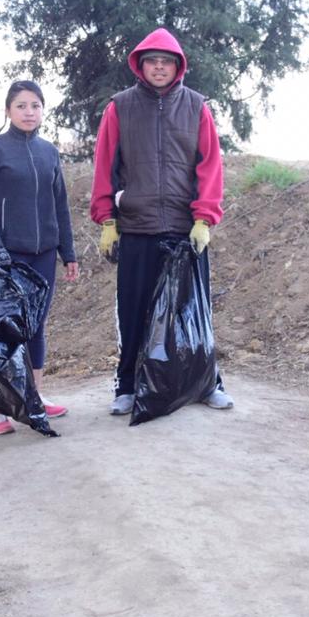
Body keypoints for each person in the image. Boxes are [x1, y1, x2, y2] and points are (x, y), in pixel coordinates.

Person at [90, 27, 233, 416]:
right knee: (134, 312)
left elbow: (210, 166)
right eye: (151, 61)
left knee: (193, 309)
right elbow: (105, 166)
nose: (158, 67)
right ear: (141, 65)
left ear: (177, 66)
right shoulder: (119, 108)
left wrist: (204, 217)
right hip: (137, 227)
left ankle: (206, 383)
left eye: (165, 62)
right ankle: (127, 386)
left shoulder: (197, 107)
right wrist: (107, 219)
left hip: (185, 230)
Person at [0, 80, 79, 435]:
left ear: (43, 110)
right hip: (9, 257)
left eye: (35, 105)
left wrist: (68, 252)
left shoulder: (49, 152)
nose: (29, 112)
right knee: (5, 332)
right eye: (21, 106)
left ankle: (34, 396)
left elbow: (59, 204)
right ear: (8, 111)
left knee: (36, 327)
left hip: (44, 255)